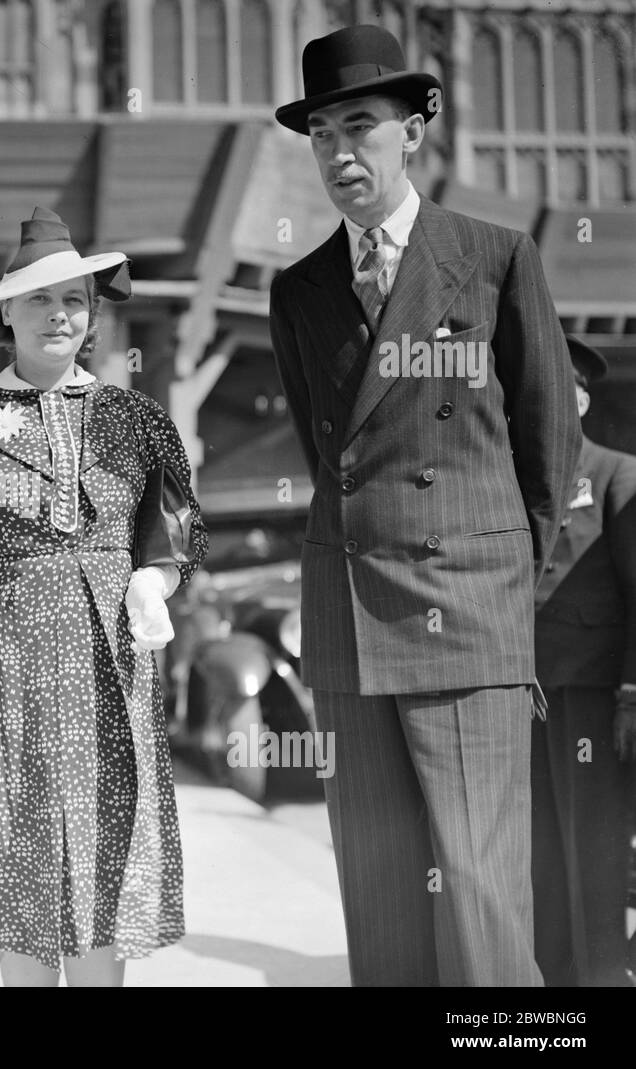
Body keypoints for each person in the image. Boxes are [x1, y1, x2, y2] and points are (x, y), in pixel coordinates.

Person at [268, 25, 582, 986]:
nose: (337, 152)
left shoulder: (493, 257)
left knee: (484, 897)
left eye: (359, 125)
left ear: (414, 130)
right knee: (380, 894)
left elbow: (548, 445)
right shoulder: (300, 287)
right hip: (349, 617)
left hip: (466, 609)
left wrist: (494, 580)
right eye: (320, 133)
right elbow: (325, 449)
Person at [0, 207, 207, 986]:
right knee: (21, 859)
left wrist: (158, 578)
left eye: (74, 299)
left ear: (93, 314)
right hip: (8, 668)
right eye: (39, 299)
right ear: (4, 312)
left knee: (105, 857)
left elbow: (179, 524)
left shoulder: (135, 420)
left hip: (110, 669)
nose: (59, 315)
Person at [531, 333, 636, 987]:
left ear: (579, 399)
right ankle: (549, 972)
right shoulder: (512, 479)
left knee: (593, 841)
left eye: (558, 392)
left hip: (591, 692)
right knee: (539, 843)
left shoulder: (616, 474)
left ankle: (601, 973)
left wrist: (630, 690)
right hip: (522, 693)